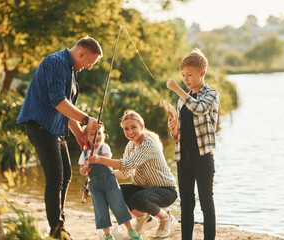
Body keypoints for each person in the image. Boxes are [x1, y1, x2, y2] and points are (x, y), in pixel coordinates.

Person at [16, 36, 103, 239]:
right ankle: (56, 231)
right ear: (82, 53)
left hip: (55, 129)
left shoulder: (70, 69)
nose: (89, 67)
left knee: (66, 175)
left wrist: (79, 134)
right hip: (40, 126)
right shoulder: (56, 62)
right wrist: (87, 119)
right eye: (90, 62)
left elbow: (66, 109)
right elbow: (58, 102)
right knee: (55, 178)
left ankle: (59, 226)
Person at [88, 110, 178, 238]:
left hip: (166, 191)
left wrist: (99, 160)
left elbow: (128, 164)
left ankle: (165, 218)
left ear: (141, 126)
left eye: (133, 127)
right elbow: (124, 172)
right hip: (144, 189)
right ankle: (146, 219)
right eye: (126, 129)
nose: (130, 132)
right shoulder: (130, 145)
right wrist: (101, 178)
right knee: (115, 190)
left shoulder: (148, 144)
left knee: (138, 199)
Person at [166, 48, 219, 240]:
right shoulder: (182, 101)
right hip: (183, 157)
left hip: (203, 157)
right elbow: (181, 133)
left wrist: (178, 90)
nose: (185, 79)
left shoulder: (211, 95)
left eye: (189, 75)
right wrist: (174, 130)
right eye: (182, 75)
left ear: (202, 73)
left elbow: (199, 109)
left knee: (206, 202)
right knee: (186, 204)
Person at [78, 125, 141, 240]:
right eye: (93, 134)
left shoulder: (104, 147)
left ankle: (130, 230)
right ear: (86, 138)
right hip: (95, 185)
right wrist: (85, 168)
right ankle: (108, 235)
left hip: (109, 182)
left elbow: (106, 161)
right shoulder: (85, 154)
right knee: (100, 209)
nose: (97, 136)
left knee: (118, 205)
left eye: (99, 133)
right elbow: (82, 170)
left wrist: (96, 158)